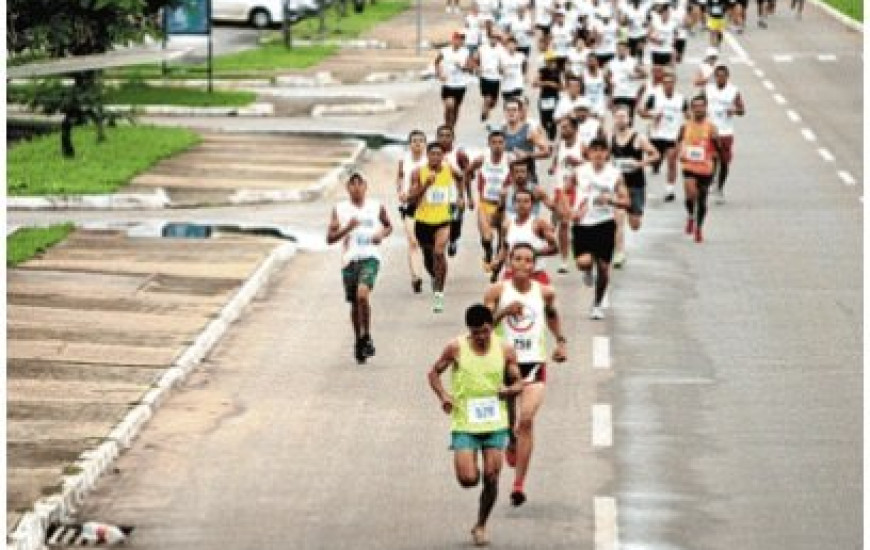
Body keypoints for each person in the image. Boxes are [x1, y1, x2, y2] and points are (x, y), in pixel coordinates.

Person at [427, 304, 524, 547]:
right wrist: (444, 396)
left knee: (492, 476)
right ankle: (474, 468)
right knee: (468, 479)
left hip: (495, 422)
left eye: (485, 331)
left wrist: (510, 389)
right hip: (465, 423)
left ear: (491, 326)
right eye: (476, 332)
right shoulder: (455, 348)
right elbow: (433, 373)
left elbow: (518, 383)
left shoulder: (505, 349)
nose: (481, 337)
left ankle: (481, 524)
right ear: (469, 330)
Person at [484, 242, 568, 506]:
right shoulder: (497, 290)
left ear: (534, 265)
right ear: (509, 262)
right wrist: (504, 311)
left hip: (533, 364)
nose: (522, 264)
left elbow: (553, 316)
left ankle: (518, 485)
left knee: (527, 420)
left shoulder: (545, 292)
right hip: (504, 365)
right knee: (510, 421)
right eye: (517, 259)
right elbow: (482, 327)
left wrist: (561, 342)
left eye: (528, 260)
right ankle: (510, 439)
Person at [559, 138, 629, 319]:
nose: (598, 153)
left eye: (602, 150)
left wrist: (611, 200)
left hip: (605, 223)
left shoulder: (615, 174)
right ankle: (588, 270)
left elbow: (626, 201)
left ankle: (597, 304)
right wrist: (569, 211)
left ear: (607, 153)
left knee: (604, 268)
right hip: (582, 224)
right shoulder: (580, 172)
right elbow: (564, 192)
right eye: (594, 150)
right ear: (588, 153)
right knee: (584, 262)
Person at [326, 172, 393, 363]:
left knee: (362, 295)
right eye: (352, 183)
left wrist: (381, 234)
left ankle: (367, 335)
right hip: (349, 261)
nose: (356, 187)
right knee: (355, 303)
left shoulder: (376, 206)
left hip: (370, 258)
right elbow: (329, 239)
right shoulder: (339, 209)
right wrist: (347, 228)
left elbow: (388, 225)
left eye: (360, 183)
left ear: (366, 186)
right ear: (347, 188)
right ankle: (359, 341)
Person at [409, 142, 465, 312]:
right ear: (427, 155)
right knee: (428, 259)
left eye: (438, 154)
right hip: (423, 221)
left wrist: (460, 196)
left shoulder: (449, 169)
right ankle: (435, 277)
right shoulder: (418, 172)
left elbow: (461, 177)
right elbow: (411, 198)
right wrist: (425, 184)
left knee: (439, 253)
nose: (435, 157)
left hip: (443, 220)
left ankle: (439, 296)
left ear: (443, 156)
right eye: (432, 154)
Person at [610, 105, 660, 267]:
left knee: (635, 224)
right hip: (618, 186)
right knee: (618, 220)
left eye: (623, 117)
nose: (620, 120)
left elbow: (655, 154)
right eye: (617, 117)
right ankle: (618, 252)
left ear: (629, 119)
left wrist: (640, 163)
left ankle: (619, 247)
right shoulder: (610, 138)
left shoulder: (638, 138)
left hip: (636, 185)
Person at [466, 130, 514, 273]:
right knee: (487, 238)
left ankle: (497, 267)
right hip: (485, 203)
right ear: (488, 144)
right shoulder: (482, 159)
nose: (497, 146)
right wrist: (468, 197)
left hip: (504, 205)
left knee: (503, 238)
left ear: (505, 144)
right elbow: (467, 173)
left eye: (500, 142)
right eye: (494, 142)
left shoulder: (510, 160)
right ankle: (487, 253)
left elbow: (521, 176)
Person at [677, 95, 721, 243]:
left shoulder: (711, 127)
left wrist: (716, 142)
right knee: (690, 195)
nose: (698, 109)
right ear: (692, 108)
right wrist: (680, 153)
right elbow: (678, 141)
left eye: (701, 106)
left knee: (702, 199)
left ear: (706, 107)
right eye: (695, 106)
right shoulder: (685, 126)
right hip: (689, 165)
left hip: (705, 167)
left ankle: (699, 228)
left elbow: (718, 149)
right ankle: (690, 215)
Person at [491, 188, 559, 282]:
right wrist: (497, 264)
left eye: (526, 201)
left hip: (535, 274)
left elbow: (555, 248)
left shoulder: (539, 224)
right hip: (512, 275)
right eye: (518, 201)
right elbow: (505, 248)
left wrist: (534, 253)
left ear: (532, 205)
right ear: (514, 204)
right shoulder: (507, 224)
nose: (522, 205)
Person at [638, 71, 687, 202]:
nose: (668, 85)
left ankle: (669, 190)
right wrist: (652, 116)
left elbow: (688, 116)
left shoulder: (681, 99)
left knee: (672, 161)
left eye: (671, 82)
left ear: (674, 83)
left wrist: (684, 132)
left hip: (672, 136)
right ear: (662, 84)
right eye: (666, 83)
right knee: (654, 160)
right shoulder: (654, 97)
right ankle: (651, 172)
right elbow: (641, 112)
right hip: (656, 135)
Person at [549, 116, 586, 274]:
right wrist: (552, 167)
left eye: (565, 127)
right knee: (560, 223)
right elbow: (555, 162)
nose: (562, 130)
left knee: (572, 224)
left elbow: (593, 165)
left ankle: (573, 255)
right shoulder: (559, 144)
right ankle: (564, 258)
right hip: (560, 188)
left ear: (574, 129)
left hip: (577, 189)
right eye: (561, 127)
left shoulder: (582, 145)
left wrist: (578, 162)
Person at [705, 64, 745, 203]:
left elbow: (742, 110)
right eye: (718, 76)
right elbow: (698, 103)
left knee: (724, 162)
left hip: (726, 131)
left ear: (727, 77)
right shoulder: (708, 90)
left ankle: (719, 187)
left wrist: (733, 111)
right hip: (710, 130)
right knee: (712, 158)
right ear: (715, 77)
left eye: (723, 76)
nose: (720, 79)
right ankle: (711, 182)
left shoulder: (733, 91)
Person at [395, 130, 427, 293]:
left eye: (421, 140)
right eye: (414, 140)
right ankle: (416, 276)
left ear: (425, 144)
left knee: (426, 243)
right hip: (409, 204)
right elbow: (400, 177)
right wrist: (400, 191)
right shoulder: (404, 160)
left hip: (428, 206)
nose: (417, 143)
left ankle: (428, 266)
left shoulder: (430, 160)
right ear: (410, 143)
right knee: (413, 242)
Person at [436, 125, 472, 257]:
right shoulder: (432, 153)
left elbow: (467, 176)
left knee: (455, 222)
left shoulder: (459, 154)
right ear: (436, 137)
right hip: (437, 197)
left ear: (453, 138)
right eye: (441, 136)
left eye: (448, 136)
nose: (444, 139)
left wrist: (468, 197)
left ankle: (453, 240)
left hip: (455, 197)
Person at [503, 97, 551, 186]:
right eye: (508, 110)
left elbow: (547, 152)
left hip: (528, 180)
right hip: (509, 179)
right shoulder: (501, 131)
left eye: (514, 110)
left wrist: (527, 155)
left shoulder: (529, 130)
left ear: (520, 112)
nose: (511, 113)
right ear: (504, 112)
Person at [435, 31, 472, 129]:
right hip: (448, 84)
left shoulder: (466, 52)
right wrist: (439, 74)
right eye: (457, 39)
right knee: (449, 105)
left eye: (461, 39)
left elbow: (470, 68)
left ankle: (452, 128)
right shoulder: (444, 51)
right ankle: (447, 125)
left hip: (460, 85)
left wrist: (462, 67)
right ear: (453, 40)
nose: (459, 41)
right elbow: (437, 62)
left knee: (455, 108)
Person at [608, 39, 647, 122]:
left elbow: (645, 74)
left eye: (623, 49)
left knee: (629, 120)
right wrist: (610, 96)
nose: (620, 51)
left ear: (627, 50)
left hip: (630, 94)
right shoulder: (612, 63)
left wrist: (635, 76)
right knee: (618, 119)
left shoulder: (632, 62)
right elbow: (609, 80)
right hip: (617, 94)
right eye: (619, 49)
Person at [476, 30, 505, 122]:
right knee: (488, 98)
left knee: (493, 103)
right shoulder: (482, 48)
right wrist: (477, 68)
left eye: (496, 38)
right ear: (489, 38)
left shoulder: (501, 49)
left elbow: (503, 62)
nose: (494, 39)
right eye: (492, 37)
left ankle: (485, 109)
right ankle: (485, 116)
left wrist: (502, 68)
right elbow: (475, 58)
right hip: (485, 76)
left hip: (496, 78)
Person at [534, 50, 563, 140]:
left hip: (554, 98)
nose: (551, 63)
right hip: (544, 97)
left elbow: (562, 86)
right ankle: (546, 136)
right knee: (543, 120)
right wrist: (548, 83)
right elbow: (535, 83)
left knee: (553, 119)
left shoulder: (558, 72)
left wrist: (556, 85)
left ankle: (552, 139)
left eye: (552, 60)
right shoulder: (542, 71)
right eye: (549, 61)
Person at [647, 1, 678, 68]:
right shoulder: (655, 22)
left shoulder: (673, 23)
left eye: (669, 13)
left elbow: (675, 37)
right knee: (657, 74)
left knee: (668, 74)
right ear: (662, 13)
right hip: (656, 51)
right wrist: (656, 40)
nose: (667, 15)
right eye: (666, 13)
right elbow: (648, 35)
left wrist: (673, 53)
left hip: (667, 51)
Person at [499, 36, 527, 101]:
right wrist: (502, 71)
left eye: (513, 45)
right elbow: (499, 68)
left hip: (518, 83)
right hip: (506, 85)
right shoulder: (502, 56)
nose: (511, 47)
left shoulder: (521, 56)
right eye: (509, 45)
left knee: (516, 102)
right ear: (506, 46)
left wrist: (524, 75)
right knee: (508, 104)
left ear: (516, 45)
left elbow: (525, 64)